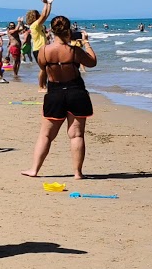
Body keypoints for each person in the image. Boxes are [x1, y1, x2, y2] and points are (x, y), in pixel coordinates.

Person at [21, 16, 97, 179]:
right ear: (68, 30)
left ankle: (34, 169)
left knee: (46, 135)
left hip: (55, 92)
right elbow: (92, 62)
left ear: (52, 30)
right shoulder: (74, 51)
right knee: (76, 135)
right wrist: (86, 43)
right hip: (76, 90)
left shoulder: (44, 51)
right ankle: (77, 173)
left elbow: (43, 66)